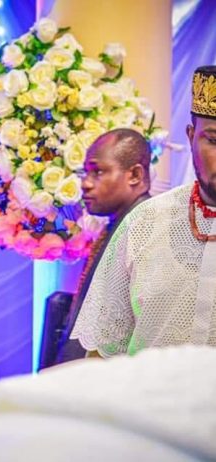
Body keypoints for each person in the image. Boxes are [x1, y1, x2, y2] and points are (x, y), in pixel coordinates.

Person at [71, 65, 216, 358]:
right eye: (213, 140)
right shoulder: (144, 223)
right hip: (147, 390)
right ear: (191, 137)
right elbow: (102, 352)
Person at [53, 128, 152, 365]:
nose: (85, 184)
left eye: (98, 172)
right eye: (85, 172)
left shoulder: (146, 232)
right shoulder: (122, 224)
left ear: (135, 175)